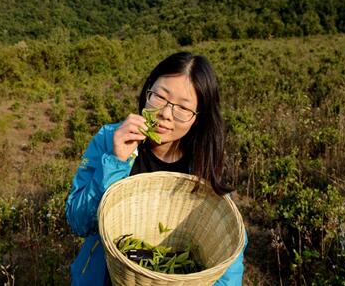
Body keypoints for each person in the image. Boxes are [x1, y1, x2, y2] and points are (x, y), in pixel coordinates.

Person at [65, 52, 247, 285]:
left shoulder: (203, 162)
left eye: (183, 108)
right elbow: (78, 222)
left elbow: (227, 252)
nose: (165, 114)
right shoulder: (109, 139)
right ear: (147, 91)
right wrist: (115, 161)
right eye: (160, 96)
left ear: (197, 118)